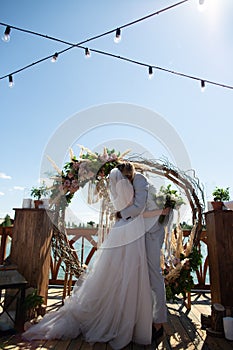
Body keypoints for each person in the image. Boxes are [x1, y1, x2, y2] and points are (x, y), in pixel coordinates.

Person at [23, 168, 153, 349]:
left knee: (118, 270)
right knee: (129, 271)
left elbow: (129, 205)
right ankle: (125, 321)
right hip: (131, 225)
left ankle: (119, 317)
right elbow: (139, 207)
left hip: (123, 225)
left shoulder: (121, 183)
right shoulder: (135, 181)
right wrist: (123, 214)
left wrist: (120, 214)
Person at [116, 162, 169, 340]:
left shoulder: (140, 179)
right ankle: (142, 317)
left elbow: (140, 208)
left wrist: (121, 214)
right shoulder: (132, 182)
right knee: (141, 274)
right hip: (142, 231)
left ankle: (159, 322)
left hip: (153, 231)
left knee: (154, 273)